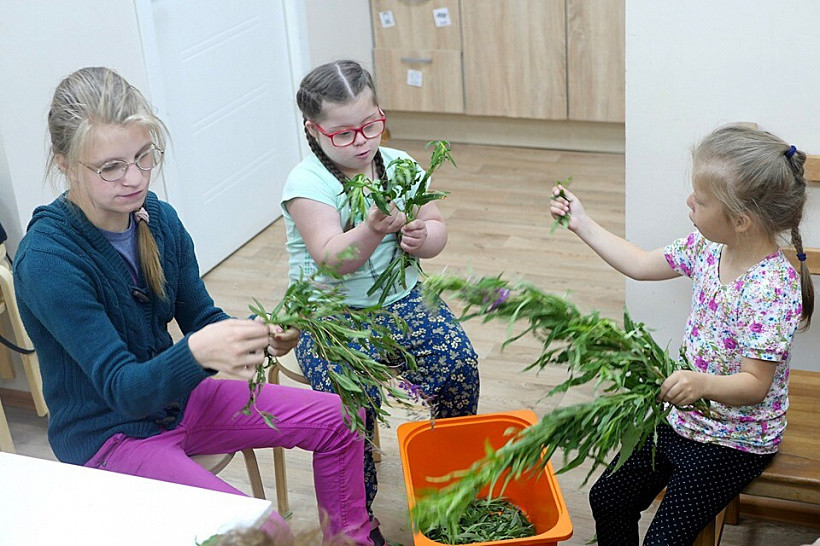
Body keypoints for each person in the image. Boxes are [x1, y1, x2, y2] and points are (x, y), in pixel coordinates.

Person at [13, 67, 374, 545]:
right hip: (110, 437)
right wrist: (200, 353)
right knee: (268, 530)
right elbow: (124, 389)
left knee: (344, 419)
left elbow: (202, 319)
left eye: (145, 157)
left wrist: (260, 334)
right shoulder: (48, 261)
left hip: (177, 403)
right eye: (111, 167)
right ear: (64, 162)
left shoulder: (157, 219)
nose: (135, 178)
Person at [550, 123, 814, 545]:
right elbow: (639, 263)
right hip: (682, 415)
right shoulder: (707, 248)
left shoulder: (772, 290)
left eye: (702, 199)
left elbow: (755, 386)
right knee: (608, 498)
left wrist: (700, 383)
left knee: (663, 541)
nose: (689, 202)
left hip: (735, 440)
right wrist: (582, 223)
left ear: (741, 220)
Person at [281, 59, 480, 543]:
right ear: (315, 130)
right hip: (330, 315)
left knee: (458, 366)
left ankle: (448, 489)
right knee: (349, 408)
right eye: (344, 133)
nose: (362, 141)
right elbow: (331, 259)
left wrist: (423, 237)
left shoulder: (401, 166)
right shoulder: (308, 185)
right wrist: (371, 228)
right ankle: (354, 525)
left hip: (403, 297)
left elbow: (438, 228)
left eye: (371, 125)